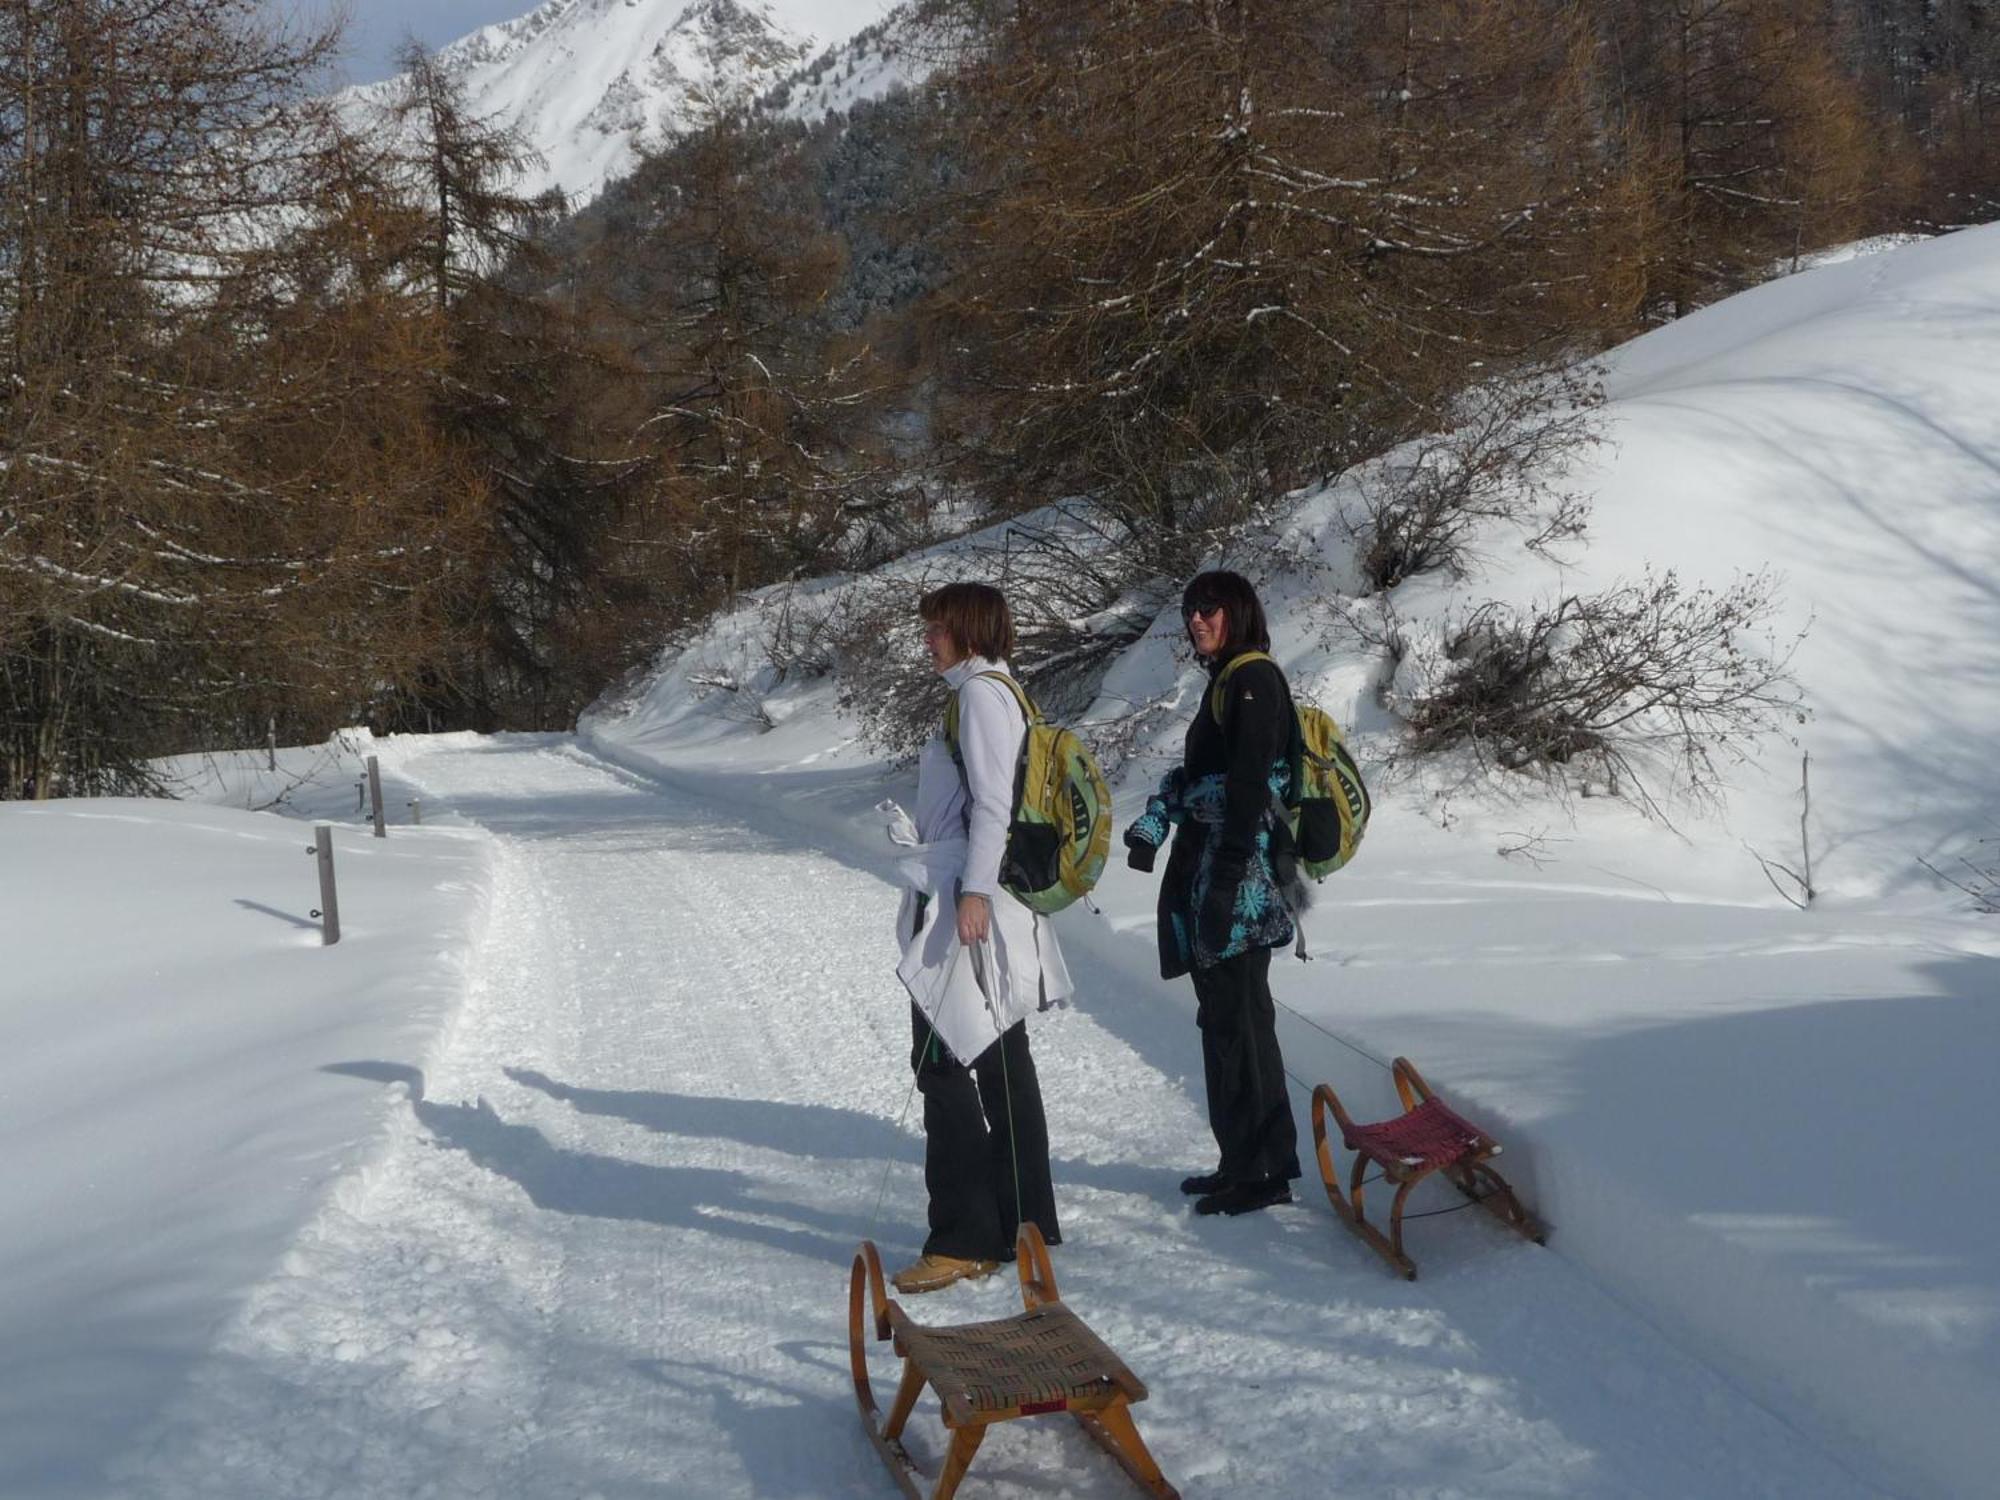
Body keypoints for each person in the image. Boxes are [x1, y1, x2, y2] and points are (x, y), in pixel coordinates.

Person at [885, 581, 1070, 1293]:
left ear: (967, 629)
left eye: (936, 627)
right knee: (997, 1054)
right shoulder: (996, 690)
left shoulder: (981, 696)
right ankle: (1025, 1219)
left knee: (940, 1057)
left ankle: (965, 1237)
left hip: (971, 897)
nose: (927, 639)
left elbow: (994, 803)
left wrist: (973, 896)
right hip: (973, 887)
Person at [1122, 569, 1303, 1216]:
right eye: (1190, 609)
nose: (1197, 619)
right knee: (1229, 1021)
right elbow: (1205, 775)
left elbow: (1251, 787)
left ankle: (1259, 1171)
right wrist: (1155, 823)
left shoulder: (1252, 679)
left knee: (1240, 1024)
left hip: (1237, 882)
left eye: (1211, 609)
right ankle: (1246, 1160)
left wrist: (1224, 883)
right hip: (1218, 875)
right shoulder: (1228, 679)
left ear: (1240, 613)